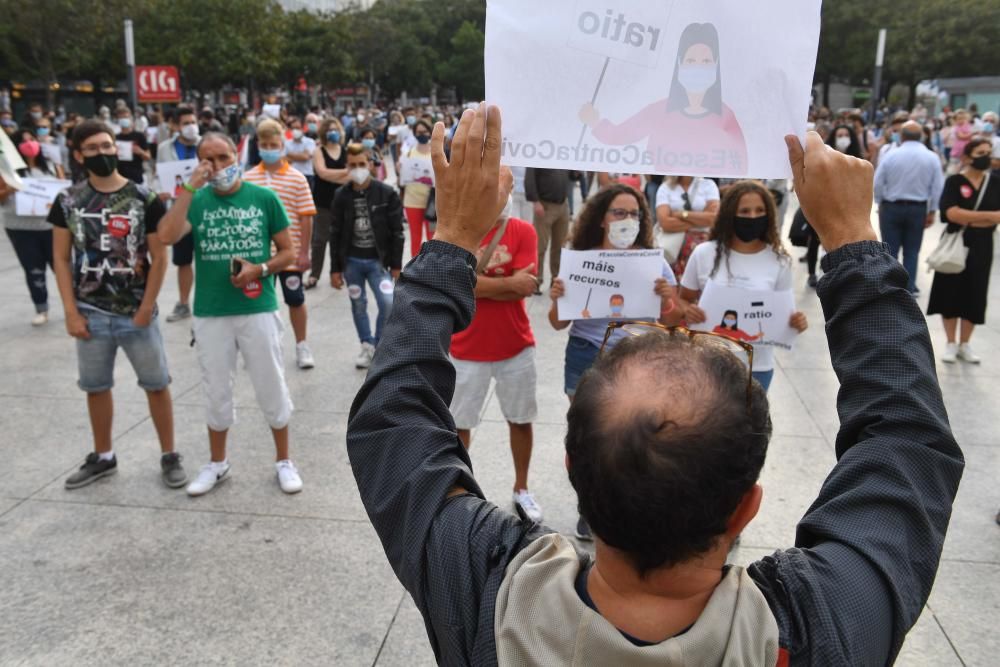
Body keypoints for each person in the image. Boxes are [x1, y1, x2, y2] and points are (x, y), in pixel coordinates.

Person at [346, 103, 964, 666]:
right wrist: (856, 241)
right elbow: (905, 444)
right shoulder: (823, 628)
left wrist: (451, 238)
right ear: (747, 506)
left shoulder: (489, 596)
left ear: (573, 470)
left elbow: (392, 422)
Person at [157, 131, 302, 497]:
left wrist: (261, 269)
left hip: (257, 306)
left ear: (236, 155)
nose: (216, 166)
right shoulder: (198, 199)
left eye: (222, 157)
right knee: (216, 390)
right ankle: (217, 463)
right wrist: (188, 189)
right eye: (207, 159)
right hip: (211, 311)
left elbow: (288, 252)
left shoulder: (263, 197)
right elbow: (167, 236)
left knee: (272, 386)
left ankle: (284, 460)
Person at [47, 120, 184, 490]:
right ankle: (103, 455)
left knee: (157, 384)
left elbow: (159, 256)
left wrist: (147, 305)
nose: (102, 153)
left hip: (137, 313)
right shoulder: (68, 201)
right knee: (95, 387)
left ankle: (169, 454)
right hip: (90, 313)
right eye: (92, 148)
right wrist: (70, 311)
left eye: (107, 145)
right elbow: (60, 258)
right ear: (78, 155)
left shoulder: (144, 198)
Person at [548, 182, 679, 539]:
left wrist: (667, 299)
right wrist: (559, 297)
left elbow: (671, 322)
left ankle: (624, 504)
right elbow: (558, 322)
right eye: (619, 212)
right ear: (602, 219)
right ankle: (588, 507)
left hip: (636, 358)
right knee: (587, 437)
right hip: (585, 355)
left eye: (634, 213)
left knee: (633, 435)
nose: (627, 220)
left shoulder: (654, 263)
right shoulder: (580, 259)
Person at [448, 197, 543, 522]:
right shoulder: (458, 231)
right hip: (465, 346)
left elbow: (524, 287)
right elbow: (455, 282)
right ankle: (460, 490)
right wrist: (506, 283)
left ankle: (522, 488)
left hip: (515, 344)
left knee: (520, 419)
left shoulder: (524, 231)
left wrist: (480, 285)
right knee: (459, 425)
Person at [678, 180, 809, 391]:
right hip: (707, 363)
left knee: (750, 424)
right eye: (744, 211)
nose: (752, 217)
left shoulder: (779, 261)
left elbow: (784, 312)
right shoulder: (704, 253)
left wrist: (797, 322)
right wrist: (687, 310)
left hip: (756, 367)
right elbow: (683, 298)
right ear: (730, 215)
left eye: (759, 210)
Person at [579, 22, 748, 175]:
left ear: (716, 65)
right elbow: (619, 135)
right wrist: (594, 121)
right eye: (691, 60)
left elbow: (741, 163)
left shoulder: (726, 115)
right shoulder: (658, 111)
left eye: (705, 61)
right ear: (680, 64)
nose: (698, 67)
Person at [243, 119, 317, 370]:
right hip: (259, 256)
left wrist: (304, 252)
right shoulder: (249, 177)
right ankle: (260, 348)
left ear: (282, 145)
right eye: (264, 144)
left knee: (295, 299)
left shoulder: (297, 178)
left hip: (290, 254)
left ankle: (301, 345)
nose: (269, 148)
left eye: (273, 144)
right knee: (258, 303)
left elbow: (306, 217)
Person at [329, 143, 404, 369]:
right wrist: (335, 268)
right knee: (358, 304)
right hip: (352, 263)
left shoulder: (387, 193)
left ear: (370, 164)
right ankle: (366, 345)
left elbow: (397, 231)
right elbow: (335, 232)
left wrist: (396, 265)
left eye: (362, 164)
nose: (358, 169)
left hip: (378, 262)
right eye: (352, 165)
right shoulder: (341, 196)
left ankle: (379, 344)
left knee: (388, 303)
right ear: (346, 167)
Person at [927, 138, 999, 364]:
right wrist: (987, 217)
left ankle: (965, 343)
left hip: (982, 245)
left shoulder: (995, 182)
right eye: (980, 152)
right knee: (950, 289)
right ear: (967, 157)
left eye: (988, 152)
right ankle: (950, 342)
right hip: (955, 242)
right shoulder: (955, 181)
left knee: (976, 292)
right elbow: (951, 214)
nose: (986, 156)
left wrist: (972, 217)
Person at [874, 120, 945, 294]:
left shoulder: (891, 155)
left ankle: (890, 287)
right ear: (921, 136)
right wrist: (933, 210)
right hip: (917, 209)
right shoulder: (931, 157)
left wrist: (880, 201)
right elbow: (937, 187)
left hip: (891, 207)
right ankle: (908, 288)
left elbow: (877, 182)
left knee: (890, 250)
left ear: (901, 135)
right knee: (912, 251)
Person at [0, 133, 59, 325]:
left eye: (31, 139)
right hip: (20, 228)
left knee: (62, 267)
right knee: (33, 269)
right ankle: (41, 308)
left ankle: (75, 305)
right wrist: (11, 189)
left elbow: (63, 190)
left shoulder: (51, 165)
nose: (29, 144)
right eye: (23, 141)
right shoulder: (6, 170)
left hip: (50, 226)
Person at [157, 106, 201, 322]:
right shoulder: (165, 148)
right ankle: (184, 303)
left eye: (193, 122)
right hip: (180, 210)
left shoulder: (206, 144)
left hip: (206, 208)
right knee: (183, 260)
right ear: (174, 126)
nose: (191, 127)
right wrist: (162, 192)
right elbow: (160, 173)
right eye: (185, 123)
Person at [307, 118, 349, 288]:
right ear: (324, 132)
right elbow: (322, 172)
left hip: (342, 201)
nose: (333, 132)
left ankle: (337, 272)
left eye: (336, 129)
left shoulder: (344, 150)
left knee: (340, 239)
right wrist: (345, 173)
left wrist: (338, 175)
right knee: (319, 240)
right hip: (323, 201)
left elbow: (352, 177)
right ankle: (314, 274)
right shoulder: (319, 150)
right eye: (330, 129)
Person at [655, 175, 720, 276]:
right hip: (675, 249)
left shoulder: (708, 185)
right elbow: (665, 223)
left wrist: (681, 214)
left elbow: (713, 218)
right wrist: (701, 221)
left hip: (702, 246)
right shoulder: (665, 187)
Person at [524, 167, 571, 292]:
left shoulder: (564, 156)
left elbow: (573, 176)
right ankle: (536, 281)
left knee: (560, 246)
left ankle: (556, 279)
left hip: (563, 205)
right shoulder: (540, 153)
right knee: (540, 246)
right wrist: (535, 201)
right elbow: (530, 179)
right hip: (545, 206)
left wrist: (578, 171)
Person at [400, 119, 434, 257]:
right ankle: (415, 270)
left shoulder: (436, 151)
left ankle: (432, 267)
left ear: (430, 132)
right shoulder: (408, 153)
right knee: (415, 237)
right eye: (419, 132)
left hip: (432, 203)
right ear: (414, 134)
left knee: (432, 238)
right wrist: (400, 169)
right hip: (412, 201)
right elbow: (402, 179)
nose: (422, 134)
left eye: (425, 131)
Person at [112, 107, 150, 185]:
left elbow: (148, 156)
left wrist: (140, 152)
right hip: (120, 178)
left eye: (126, 117)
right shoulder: (115, 138)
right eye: (121, 118)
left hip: (137, 177)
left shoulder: (139, 136)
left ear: (131, 119)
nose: (124, 120)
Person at [284, 117, 317, 191]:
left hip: (307, 176)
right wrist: (301, 155)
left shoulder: (310, 142)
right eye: (293, 128)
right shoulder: (286, 143)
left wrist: (289, 154)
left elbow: (305, 157)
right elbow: (284, 160)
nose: (295, 130)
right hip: (290, 176)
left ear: (303, 128)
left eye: (298, 128)